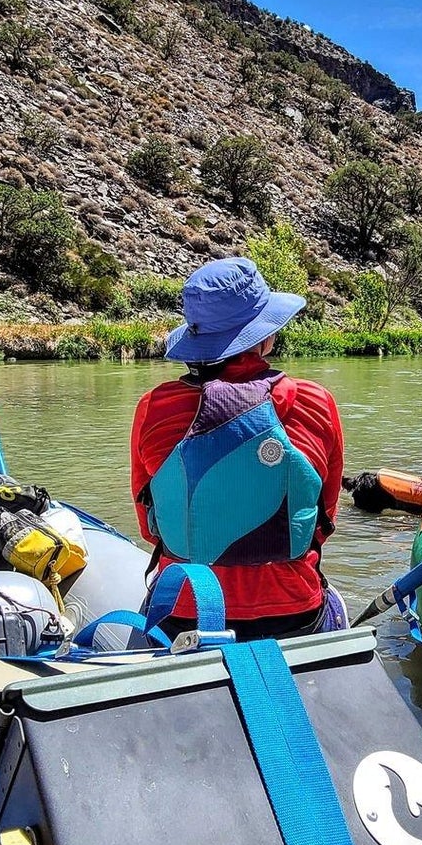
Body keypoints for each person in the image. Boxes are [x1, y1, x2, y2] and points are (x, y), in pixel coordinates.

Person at [130, 257, 346, 640]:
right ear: (263, 336)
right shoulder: (315, 402)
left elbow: (150, 524)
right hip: (294, 611)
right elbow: (324, 516)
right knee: (336, 606)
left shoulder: (154, 408)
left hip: (186, 613)